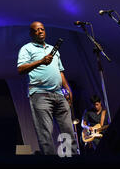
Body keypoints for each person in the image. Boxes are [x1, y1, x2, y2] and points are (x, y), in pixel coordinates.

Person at [17, 21, 78, 155]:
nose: (40, 31)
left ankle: (72, 160)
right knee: (45, 135)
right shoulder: (27, 48)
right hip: (40, 94)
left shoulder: (53, 49)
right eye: (36, 30)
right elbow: (20, 69)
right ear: (31, 33)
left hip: (59, 94)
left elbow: (60, 71)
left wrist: (67, 89)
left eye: (42, 29)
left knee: (68, 132)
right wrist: (41, 61)